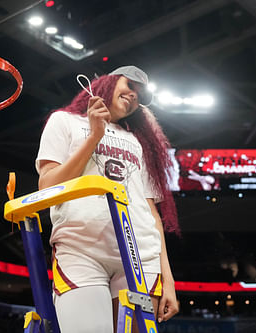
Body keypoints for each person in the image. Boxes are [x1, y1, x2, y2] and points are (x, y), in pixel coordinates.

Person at [36, 66, 180, 333]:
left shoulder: (138, 141)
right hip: (82, 249)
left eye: (140, 94)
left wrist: (168, 279)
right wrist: (94, 136)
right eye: (130, 85)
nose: (134, 95)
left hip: (141, 257)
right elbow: (47, 187)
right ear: (109, 81)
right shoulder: (64, 121)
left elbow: (151, 212)